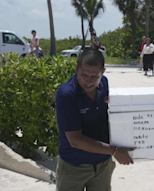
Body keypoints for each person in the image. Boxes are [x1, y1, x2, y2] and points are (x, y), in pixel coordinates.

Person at [55, 49, 135, 191]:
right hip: (74, 166)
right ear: (76, 68)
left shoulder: (104, 83)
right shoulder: (66, 94)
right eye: (84, 75)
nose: (89, 81)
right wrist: (115, 151)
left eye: (94, 76)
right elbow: (75, 140)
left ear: (103, 72)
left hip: (103, 164)